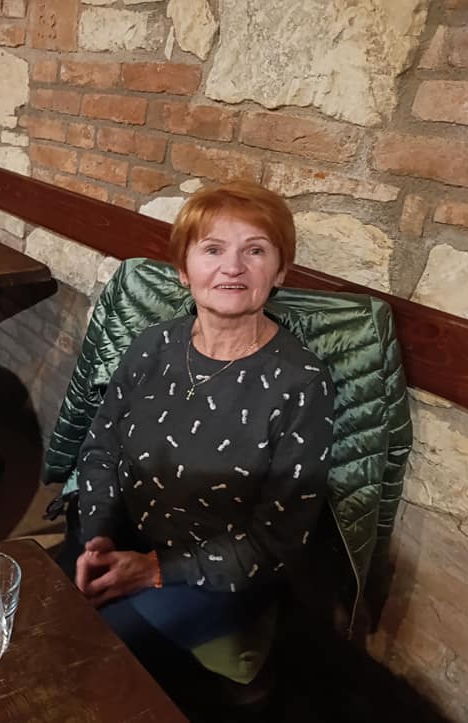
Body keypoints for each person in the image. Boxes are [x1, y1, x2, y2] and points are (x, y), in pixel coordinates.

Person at [74, 180, 334, 665]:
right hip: (122, 539)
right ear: (183, 269)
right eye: (212, 249)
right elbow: (100, 449)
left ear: (280, 270)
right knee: (32, 603)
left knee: (86, 651)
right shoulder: (152, 345)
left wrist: (152, 569)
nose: (232, 267)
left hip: (219, 578)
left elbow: (278, 541)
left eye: (255, 250)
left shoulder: (301, 382)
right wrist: (98, 537)